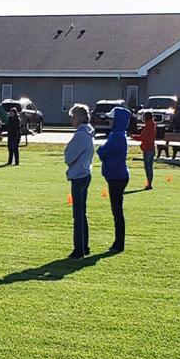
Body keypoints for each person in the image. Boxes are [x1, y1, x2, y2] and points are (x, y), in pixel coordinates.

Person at [96, 107, 130, 253]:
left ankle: (119, 243)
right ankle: (118, 242)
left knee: (117, 211)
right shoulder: (118, 135)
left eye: (111, 118)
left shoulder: (116, 136)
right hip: (117, 175)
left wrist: (100, 149)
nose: (109, 121)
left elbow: (103, 152)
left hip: (117, 177)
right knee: (117, 211)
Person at [63, 103, 94, 258]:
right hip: (85, 173)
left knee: (78, 214)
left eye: (73, 117)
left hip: (79, 175)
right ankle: (84, 246)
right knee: (82, 212)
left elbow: (69, 156)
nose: (72, 120)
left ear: (80, 117)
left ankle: (79, 249)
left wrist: (67, 155)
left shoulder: (81, 135)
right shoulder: (88, 133)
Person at [131, 111, 156, 191]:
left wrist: (134, 137)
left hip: (147, 149)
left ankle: (149, 184)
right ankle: (149, 183)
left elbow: (143, 137)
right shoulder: (152, 125)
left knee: (147, 167)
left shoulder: (148, 127)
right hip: (151, 148)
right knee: (150, 167)